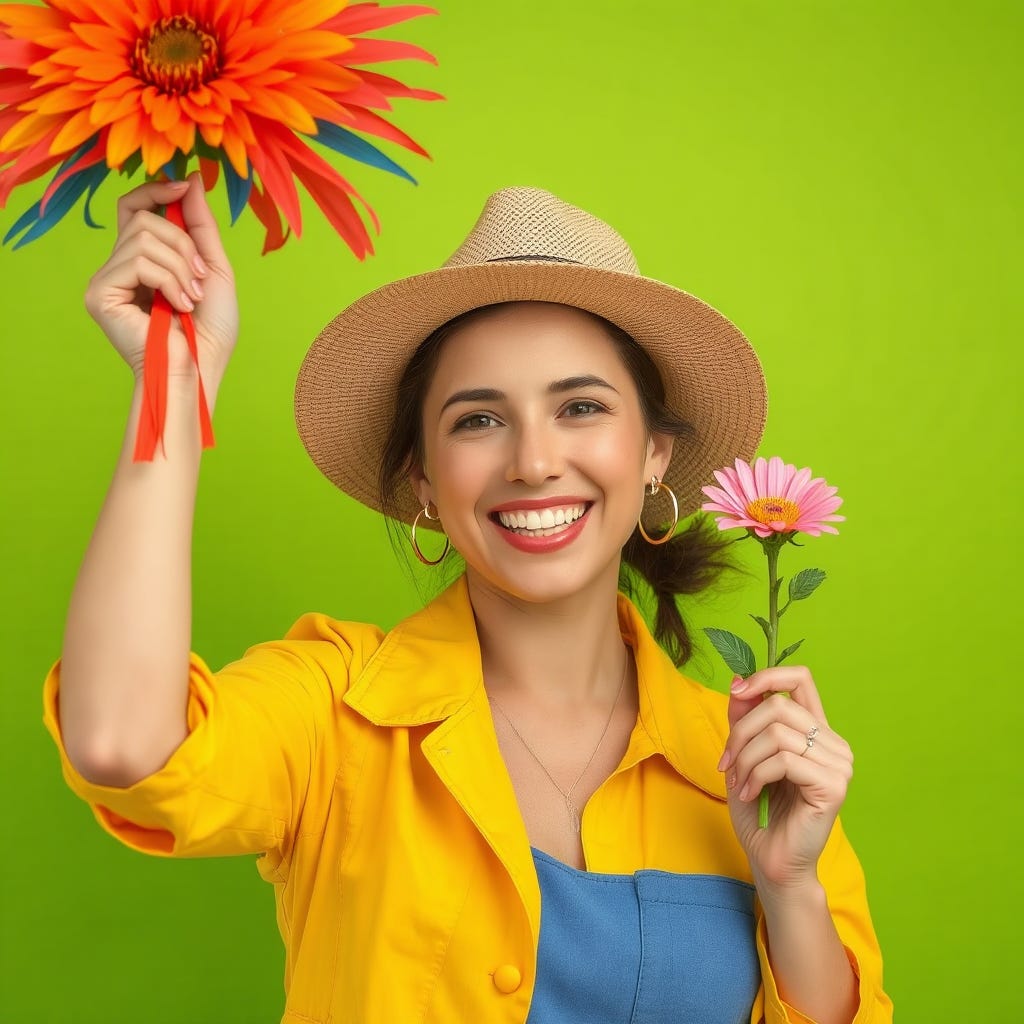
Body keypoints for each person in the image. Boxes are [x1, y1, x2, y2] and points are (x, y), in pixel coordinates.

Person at [44, 176, 892, 1024]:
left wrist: (787, 887)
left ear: (654, 455)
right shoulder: (337, 714)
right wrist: (176, 386)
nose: (532, 461)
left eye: (582, 407)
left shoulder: (750, 761)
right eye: (478, 420)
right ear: (423, 477)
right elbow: (121, 744)